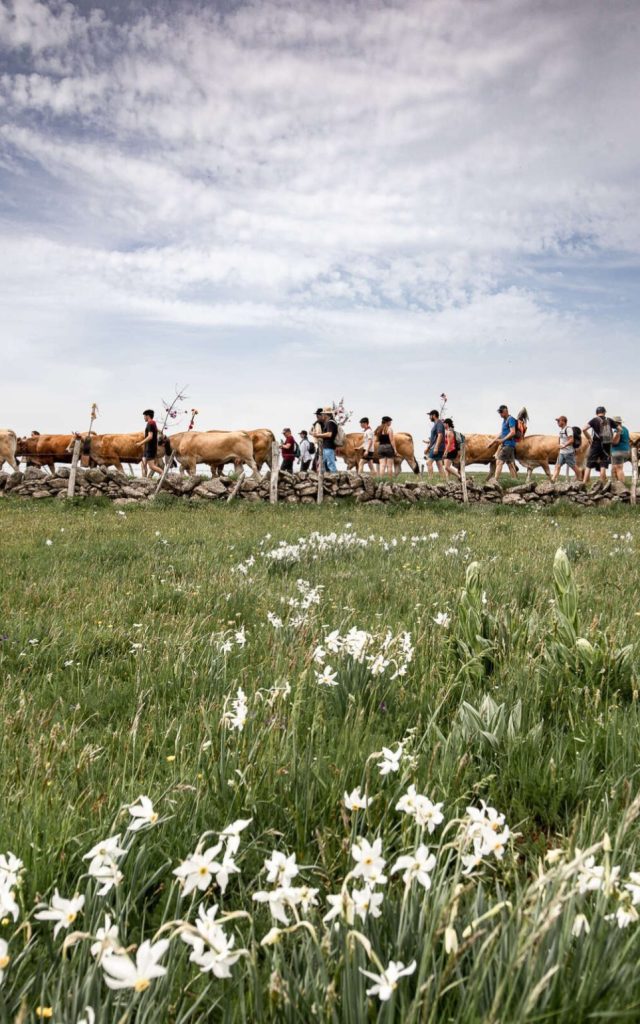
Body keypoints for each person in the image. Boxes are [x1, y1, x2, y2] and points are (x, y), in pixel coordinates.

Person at [583, 406, 618, 484]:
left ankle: (584, 484)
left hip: (595, 444)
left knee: (589, 464)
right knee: (603, 464)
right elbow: (619, 429)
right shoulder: (609, 420)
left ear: (596, 413)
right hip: (607, 444)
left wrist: (589, 438)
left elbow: (584, 429)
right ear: (605, 412)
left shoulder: (594, 420)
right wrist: (613, 438)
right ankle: (602, 485)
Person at [491, 404, 518, 481]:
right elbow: (502, 433)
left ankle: (495, 481)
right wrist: (493, 441)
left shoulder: (511, 419)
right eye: (499, 412)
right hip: (508, 445)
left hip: (508, 445)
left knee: (499, 461)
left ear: (506, 411)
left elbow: (513, 432)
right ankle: (515, 481)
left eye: (501, 412)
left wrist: (502, 440)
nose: (500, 414)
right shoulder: (504, 420)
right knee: (510, 464)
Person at [552, 415, 581, 482]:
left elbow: (571, 440)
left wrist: (563, 445)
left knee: (574, 467)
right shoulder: (562, 430)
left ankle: (580, 480)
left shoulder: (568, 429)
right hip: (562, 453)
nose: (558, 423)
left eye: (559, 421)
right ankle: (553, 480)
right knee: (557, 466)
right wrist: (560, 447)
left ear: (563, 421)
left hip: (568, 453)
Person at [313, 406, 338, 473]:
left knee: (330, 464)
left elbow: (329, 434)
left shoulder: (330, 423)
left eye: (323, 414)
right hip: (326, 446)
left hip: (329, 446)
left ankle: (334, 479)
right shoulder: (330, 422)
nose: (322, 415)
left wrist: (318, 435)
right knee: (320, 463)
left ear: (326, 415)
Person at [140, 409, 163, 477]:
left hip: (150, 448)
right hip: (148, 448)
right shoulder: (153, 423)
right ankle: (144, 479)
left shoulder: (150, 423)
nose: (144, 417)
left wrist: (140, 443)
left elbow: (150, 436)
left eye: (144, 416)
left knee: (152, 466)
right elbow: (157, 430)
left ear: (148, 416)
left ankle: (163, 474)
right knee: (143, 464)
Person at [425, 409, 446, 479]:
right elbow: (433, 438)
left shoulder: (439, 423)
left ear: (434, 415)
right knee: (439, 464)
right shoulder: (436, 424)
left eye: (430, 416)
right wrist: (428, 447)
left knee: (428, 462)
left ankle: (430, 479)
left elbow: (440, 435)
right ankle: (444, 480)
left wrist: (436, 447)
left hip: (438, 447)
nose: (429, 417)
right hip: (438, 447)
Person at [611, 415, 630, 484]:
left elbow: (615, 442)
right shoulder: (625, 429)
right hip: (626, 450)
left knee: (619, 469)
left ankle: (622, 486)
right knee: (616, 468)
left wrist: (610, 441)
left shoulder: (617, 429)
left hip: (618, 451)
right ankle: (617, 485)